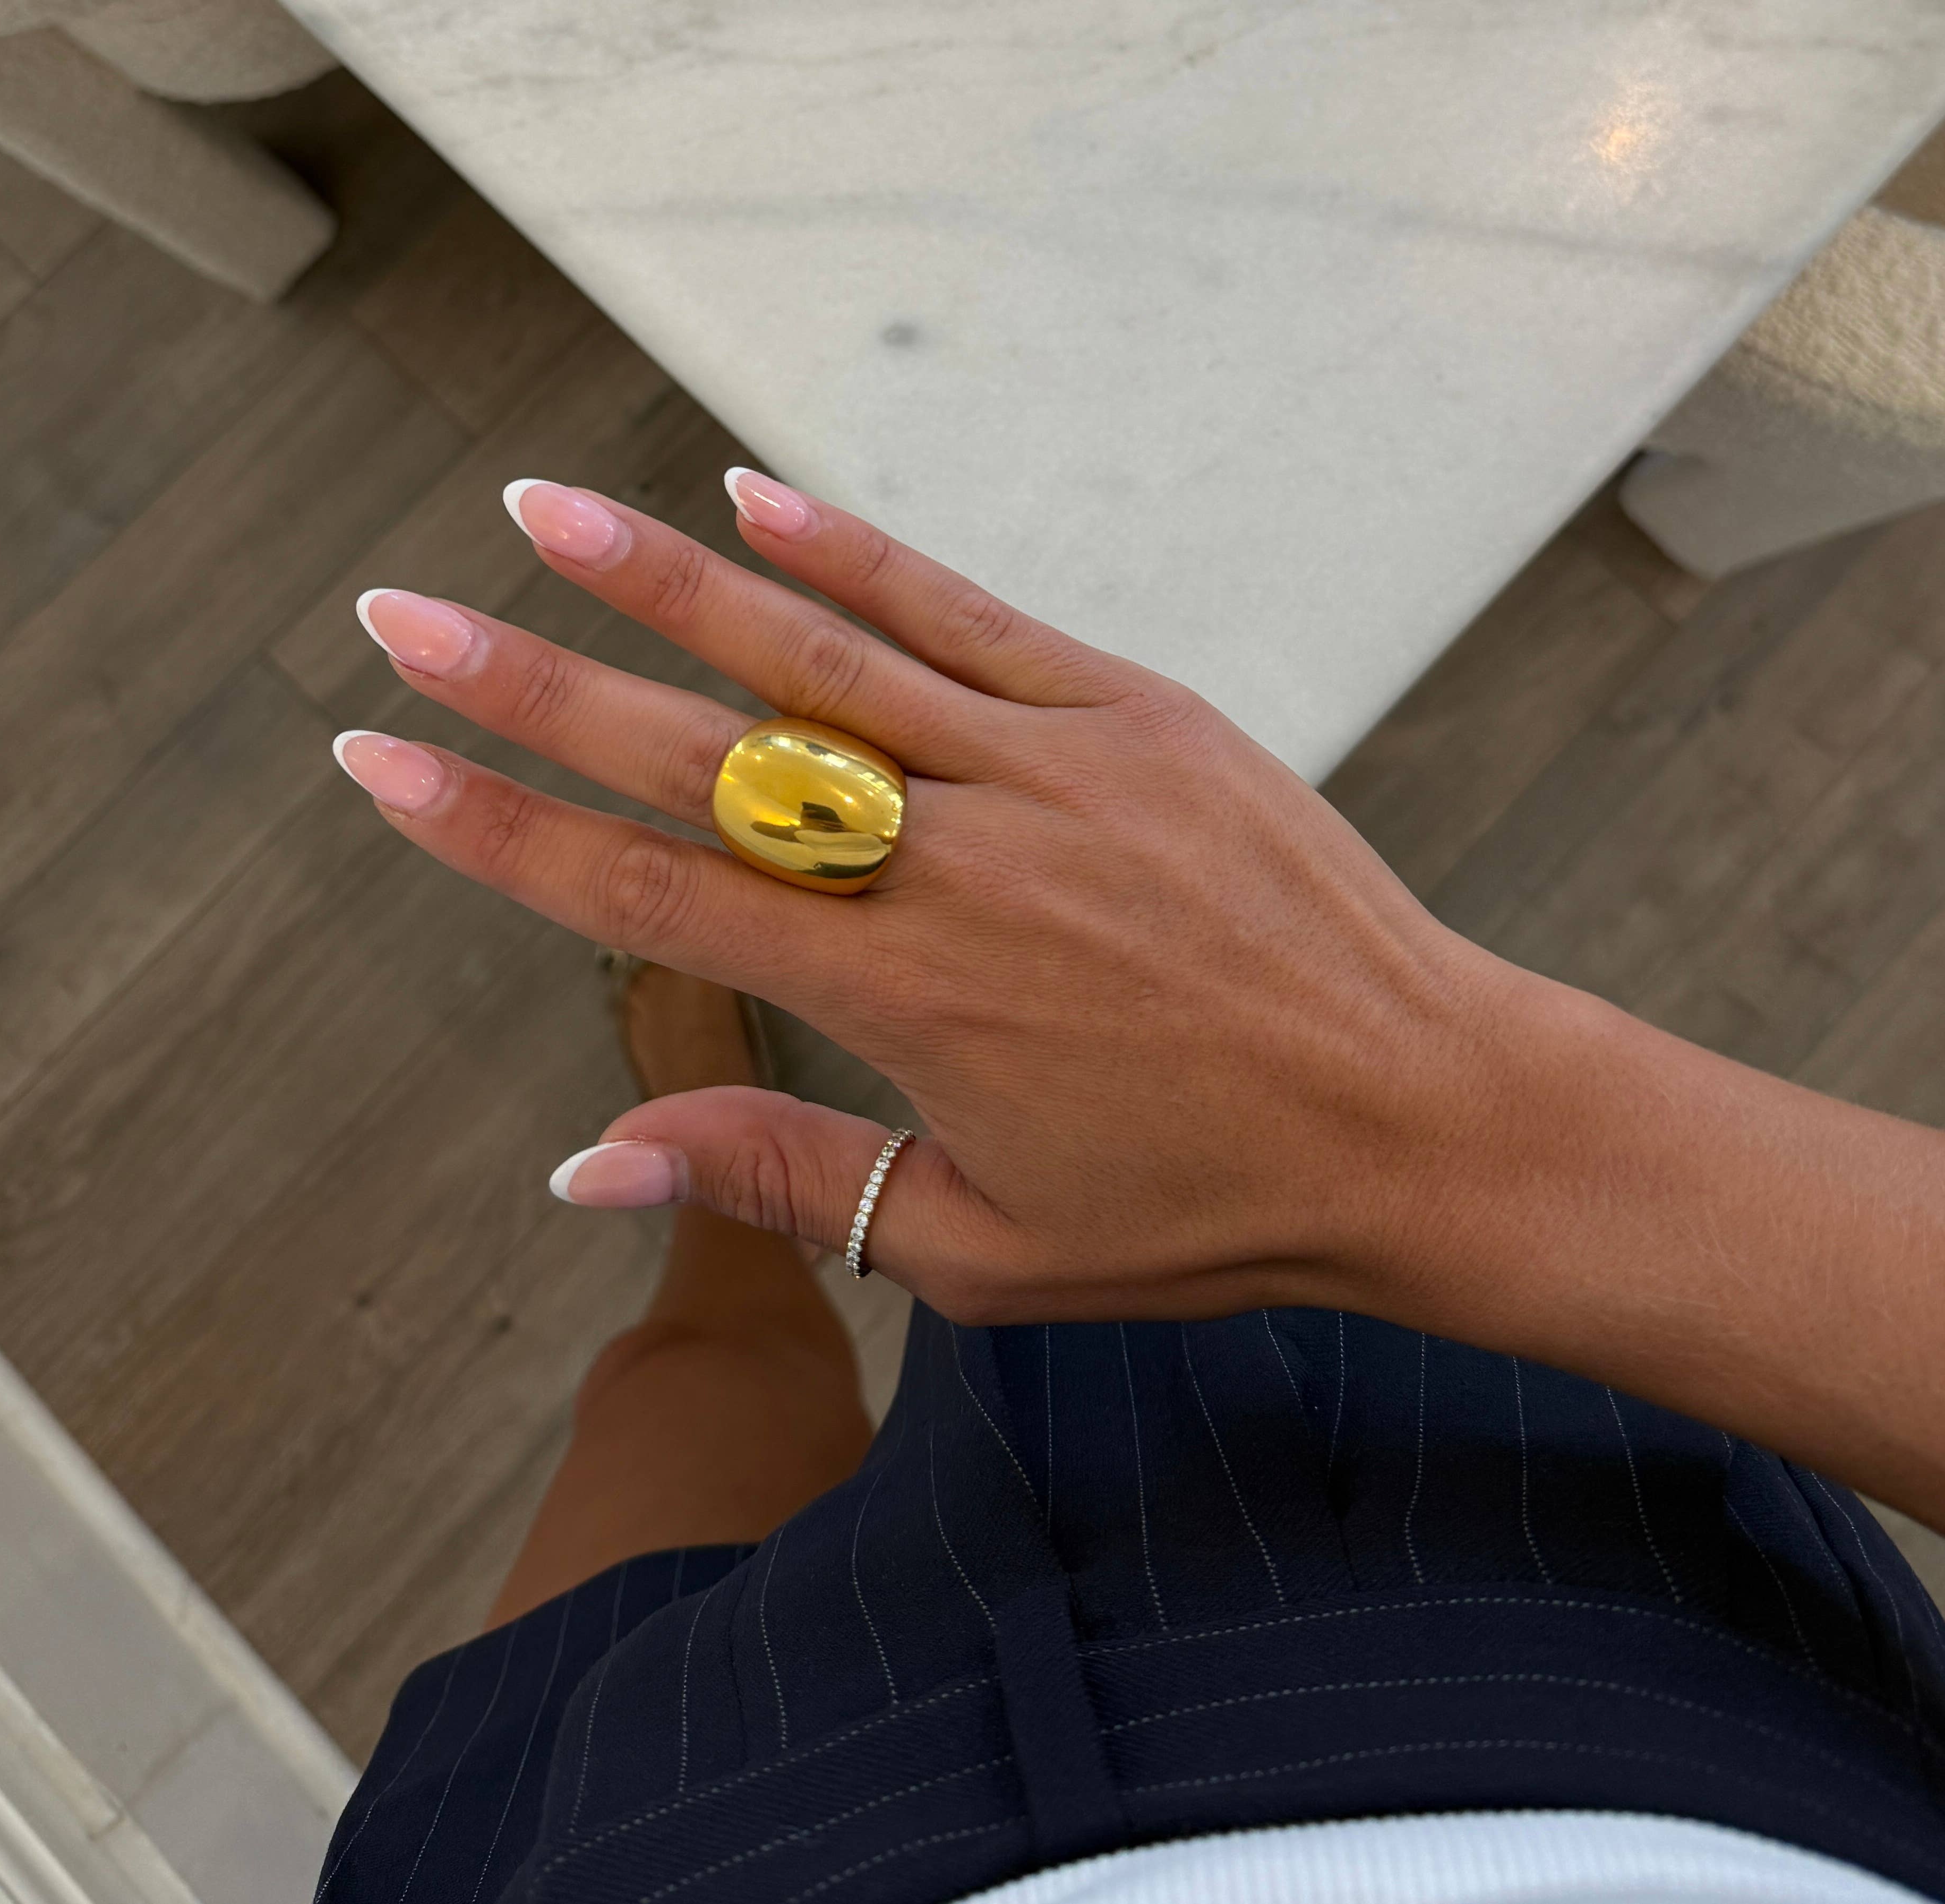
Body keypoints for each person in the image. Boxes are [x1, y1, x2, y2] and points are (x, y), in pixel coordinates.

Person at [316, 470, 1945, 1904]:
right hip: (1624, 1669)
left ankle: (716, 1166)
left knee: (675, 1381)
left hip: (623, 1855)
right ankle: (734, 1166)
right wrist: (1457, 1116)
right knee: (1136, 1081)